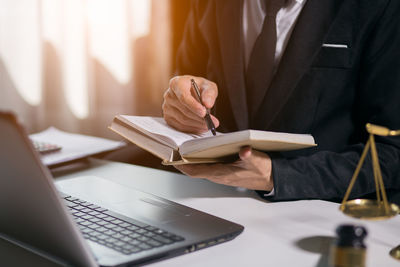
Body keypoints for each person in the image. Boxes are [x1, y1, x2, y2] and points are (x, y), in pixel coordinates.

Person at [162, 0, 400, 202]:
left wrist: (277, 176)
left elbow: (392, 153)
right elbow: (188, 79)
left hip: (320, 220)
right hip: (208, 203)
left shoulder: (381, 7)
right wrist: (179, 106)